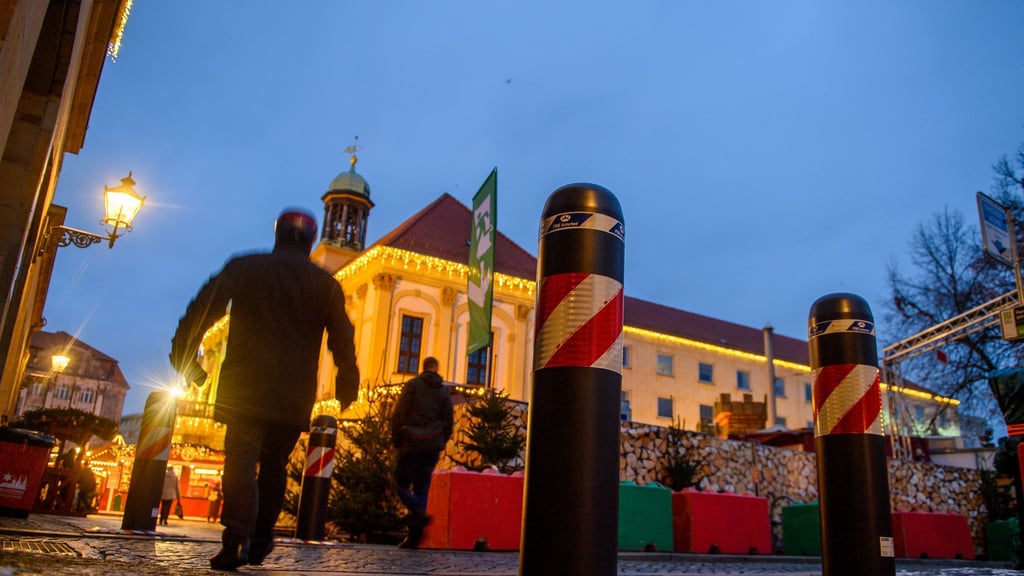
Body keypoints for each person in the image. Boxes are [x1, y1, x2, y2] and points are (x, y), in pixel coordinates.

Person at [170, 208, 359, 571]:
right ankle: (259, 540)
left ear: (277, 235)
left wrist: (183, 356)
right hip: (292, 392)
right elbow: (343, 340)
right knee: (275, 466)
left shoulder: (245, 267)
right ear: (311, 242)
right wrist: (347, 385)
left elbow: (201, 308)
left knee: (239, 459)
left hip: (244, 385)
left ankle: (235, 538)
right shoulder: (326, 286)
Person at [391, 356, 453, 549]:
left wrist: (397, 439)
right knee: (422, 487)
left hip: (411, 442)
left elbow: (398, 413)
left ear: (423, 368)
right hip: (432, 444)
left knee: (399, 484)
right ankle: (414, 538)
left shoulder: (412, 385)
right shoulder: (444, 392)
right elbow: (448, 421)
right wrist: (441, 440)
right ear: (436, 369)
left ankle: (417, 513)